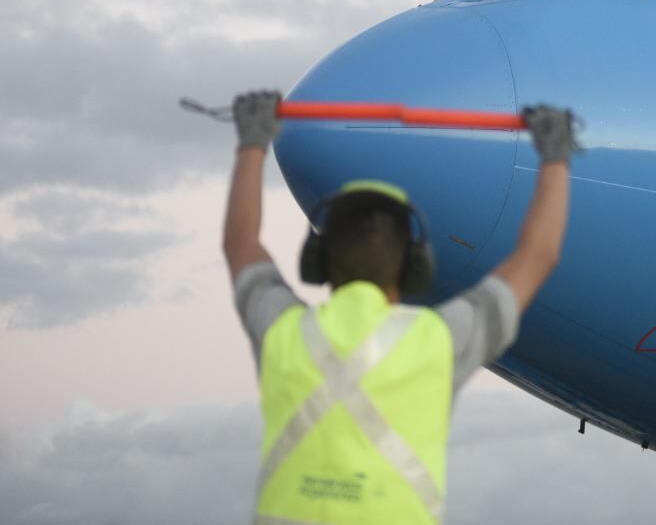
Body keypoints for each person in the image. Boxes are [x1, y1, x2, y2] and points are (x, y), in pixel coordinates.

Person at [223, 90, 579, 524]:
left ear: (318, 261)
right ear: (414, 266)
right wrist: (555, 157)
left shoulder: (283, 333)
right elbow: (538, 255)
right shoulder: (437, 342)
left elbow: (239, 244)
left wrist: (252, 143)